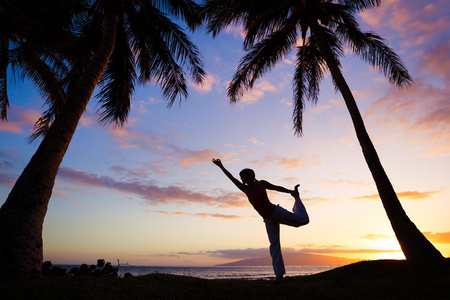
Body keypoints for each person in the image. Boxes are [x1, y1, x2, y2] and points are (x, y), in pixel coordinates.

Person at [212, 158, 309, 283]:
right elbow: (231, 178)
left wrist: (291, 192)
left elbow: (276, 188)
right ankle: (279, 276)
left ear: (249, 175)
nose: (241, 179)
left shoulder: (261, 184)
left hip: (276, 212)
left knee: (303, 220)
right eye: (240, 177)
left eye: (243, 176)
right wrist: (221, 166)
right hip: (268, 220)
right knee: (274, 246)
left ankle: (297, 200)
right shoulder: (245, 189)